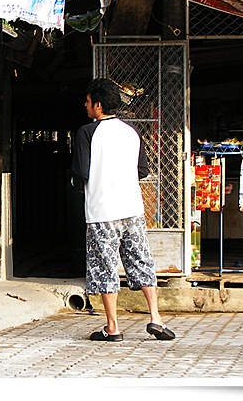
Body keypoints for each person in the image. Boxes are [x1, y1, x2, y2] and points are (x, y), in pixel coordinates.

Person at [70, 78, 176, 342]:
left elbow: (80, 172)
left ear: (98, 104)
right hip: (132, 209)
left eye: (88, 101)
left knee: (106, 266)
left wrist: (79, 183)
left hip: (102, 213)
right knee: (140, 260)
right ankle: (156, 318)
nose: (85, 105)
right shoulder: (132, 132)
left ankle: (113, 327)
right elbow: (142, 170)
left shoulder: (87, 132)